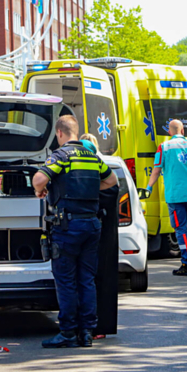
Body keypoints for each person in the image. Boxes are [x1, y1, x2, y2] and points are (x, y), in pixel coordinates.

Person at [32, 115, 119, 349]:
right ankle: (87, 332)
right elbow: (111, 181)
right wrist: (89, 188)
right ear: (76, 131)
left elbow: (39, 178)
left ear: (59, 133)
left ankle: (68, 332)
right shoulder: (92, 157)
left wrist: (42, 190)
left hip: (67, 227)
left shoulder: (61, 155)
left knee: (67, 281)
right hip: (92, 225)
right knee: (87, 280)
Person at [141, 119, 187, 276]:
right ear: (183, 131)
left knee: (180, 229)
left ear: (169, 132)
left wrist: (149, 187)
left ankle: (186, 264)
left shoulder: (164, 147)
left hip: (175, 195)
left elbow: (157, 170)